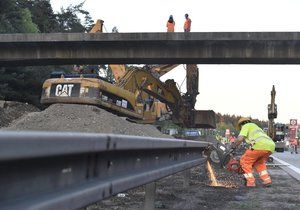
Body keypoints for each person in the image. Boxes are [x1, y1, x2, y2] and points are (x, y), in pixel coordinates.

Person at [231, 117, 275, 187]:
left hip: (259, 146)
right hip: (270, 147)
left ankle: (250, 182)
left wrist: (233, 146)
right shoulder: (257, 127)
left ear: (241, 125)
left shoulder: (245, 126)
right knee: (259, 163)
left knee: (245, 161)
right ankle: (267, 180)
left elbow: (240, 139)